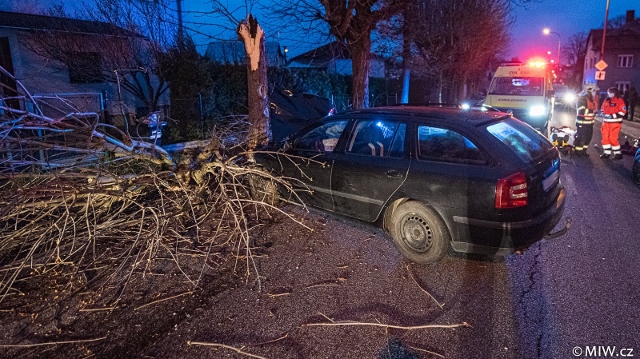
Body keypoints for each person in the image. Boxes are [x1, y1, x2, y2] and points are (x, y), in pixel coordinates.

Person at [600, 87, 627, 159]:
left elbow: (623, 112)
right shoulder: (606, 100)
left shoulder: (619, 100)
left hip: (615, 123)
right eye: (608, 92)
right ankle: (606, 153)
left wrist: (612, 116)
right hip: (606, 123)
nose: (609, 94)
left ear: (615, 93)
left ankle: (618, 154)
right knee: (605, 138)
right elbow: (602, 109)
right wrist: (603, 114)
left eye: (611, 92)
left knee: (613, 138)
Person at [574, 84, 598, 157]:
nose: (595, 92)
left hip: (589, 123)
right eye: (594, 90)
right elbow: (581, 110)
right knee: (581, 137)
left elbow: (593, 109)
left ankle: (583, 151)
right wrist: (592, 111)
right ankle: (578, 152)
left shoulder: (592, 99)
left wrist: (595, 111)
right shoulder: (582, 98)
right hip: (582, 122)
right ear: (589, 91)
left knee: (588, 138)